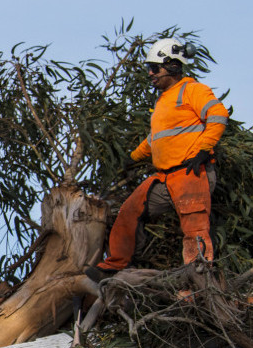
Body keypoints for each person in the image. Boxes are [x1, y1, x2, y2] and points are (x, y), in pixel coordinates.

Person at [91, 38, 229, 276]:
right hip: (165, 177)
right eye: (149, 69)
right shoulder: (164, 99)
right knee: (129, 211)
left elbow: (218, 115)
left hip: (191, 173)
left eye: (155, 68)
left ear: (173, 66)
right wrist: (132, 158)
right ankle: (115, 266)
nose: (151, 74)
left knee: (195, 231)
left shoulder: (192, 90)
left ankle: (199, 284)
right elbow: (156, 138)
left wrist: (203, 150)